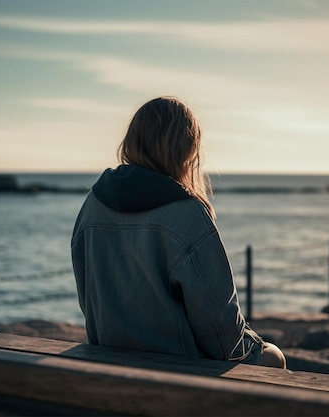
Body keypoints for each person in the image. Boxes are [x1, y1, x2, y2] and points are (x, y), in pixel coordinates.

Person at [70, 96, 286, 368]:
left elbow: (87, 298)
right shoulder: (187, 212)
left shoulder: (93, 203)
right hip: (177, 372)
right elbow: (222, 334)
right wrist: (260, 347)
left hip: (108, 360)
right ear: (185, 150)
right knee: (275, 359)